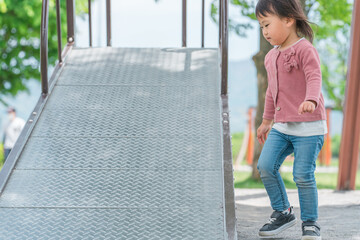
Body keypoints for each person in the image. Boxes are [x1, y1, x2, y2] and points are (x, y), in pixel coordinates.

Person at [255, 0, 327, 239]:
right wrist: (266, 121)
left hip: (309, 127)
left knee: (302, 175)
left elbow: (314, 77)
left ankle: (310, 223)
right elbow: (270, 91)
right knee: (265, 166)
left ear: (288, 20)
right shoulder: (270, 57)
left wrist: (311, 100)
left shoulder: (305, 49)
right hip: (282, 126)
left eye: (267, 24)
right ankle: (283, 211)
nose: (264, 31)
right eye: (261, 27)